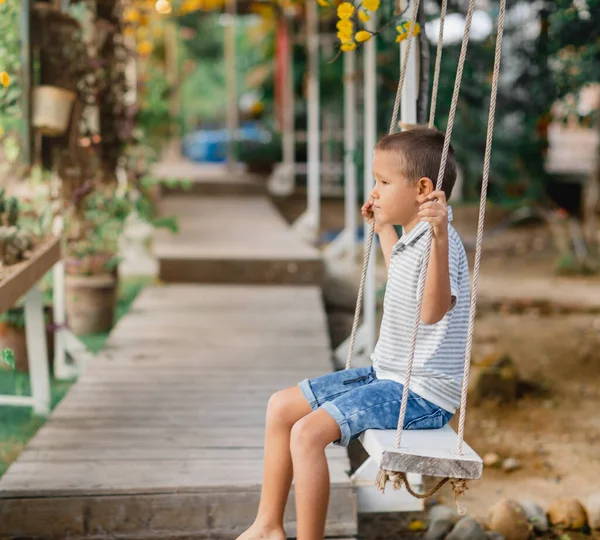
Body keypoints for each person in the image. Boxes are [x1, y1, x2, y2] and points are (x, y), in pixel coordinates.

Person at [238, 127, 471, 540]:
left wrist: (437, 239)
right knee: (281, 407)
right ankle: (268, 525)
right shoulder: (414, 238)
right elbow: (402, 276)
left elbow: (432, 312)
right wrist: (383, 230)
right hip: (388, 376)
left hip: (420, 395)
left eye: (383, 182)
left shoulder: (442, 241)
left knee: (308, 434)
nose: (375, 191)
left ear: (422, 189)